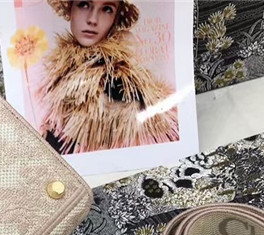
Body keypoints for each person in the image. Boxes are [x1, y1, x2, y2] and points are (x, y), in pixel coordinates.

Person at [39, 0, 178, 154]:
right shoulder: (64, 68)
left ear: (115, 17)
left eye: (107, 9)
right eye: (84, 4)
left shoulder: (117, 80)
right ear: (71, 8)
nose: (92, 19)